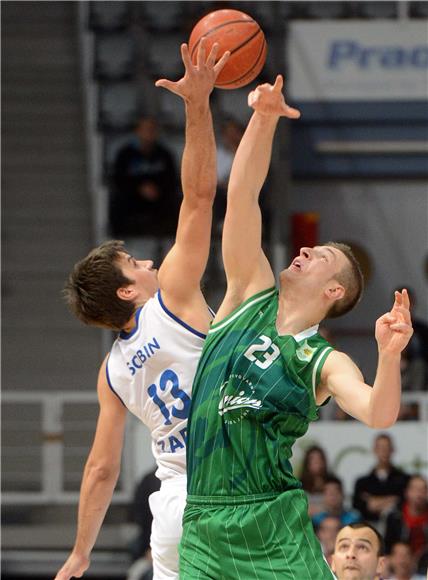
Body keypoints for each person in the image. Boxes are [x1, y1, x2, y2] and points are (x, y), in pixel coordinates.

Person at [179, 75, 414, 579]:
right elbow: (241, 198)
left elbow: (378, 412)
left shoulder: (323, 361)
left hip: (270, 522)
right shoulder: (247, 291)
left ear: (335, 292)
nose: (304, 250)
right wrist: (262, 121)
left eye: (320, 256)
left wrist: (389, 355)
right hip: (201, 518)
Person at [54, 40, 230, 580]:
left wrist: (81, 552)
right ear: (127, 292)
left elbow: (102, 468)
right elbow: (199, 198)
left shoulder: (111, 373)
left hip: (173, 507)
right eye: (134, 262)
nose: (149, 259)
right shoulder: (173, 297)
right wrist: (197, 105)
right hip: (230, 488)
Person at [109, 114, 179, 267]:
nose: (149, 133)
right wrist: (140, 189)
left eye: (152, 129)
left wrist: (155, 190)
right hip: (132, 209)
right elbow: (119, 181)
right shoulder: (125, 155)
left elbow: (172, 181)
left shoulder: (164, 154)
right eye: (146, 129)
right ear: (137, 131)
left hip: (160, 208)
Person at [353, 433, 410, 526]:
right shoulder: (362, 482)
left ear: (392, 450)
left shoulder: (404, 479)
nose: (384, 451)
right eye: (380, 448)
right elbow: (357, 506)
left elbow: (405, 502)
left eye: (387, 448)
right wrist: (391, 500)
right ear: (374, 450)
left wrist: (375, 501)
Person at [384, 475, 428, 559]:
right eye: (415, 489)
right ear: (407, 492)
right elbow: (386, 547)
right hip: (400, 561)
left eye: (424, 489)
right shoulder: (395, 516)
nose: (420, 494)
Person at [299, 445, 334, 515]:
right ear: (307, 463)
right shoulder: (299, 485)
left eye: (319, 459)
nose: (317, 462)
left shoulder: (332, 482)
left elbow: (335, 504)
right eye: (313, 459)